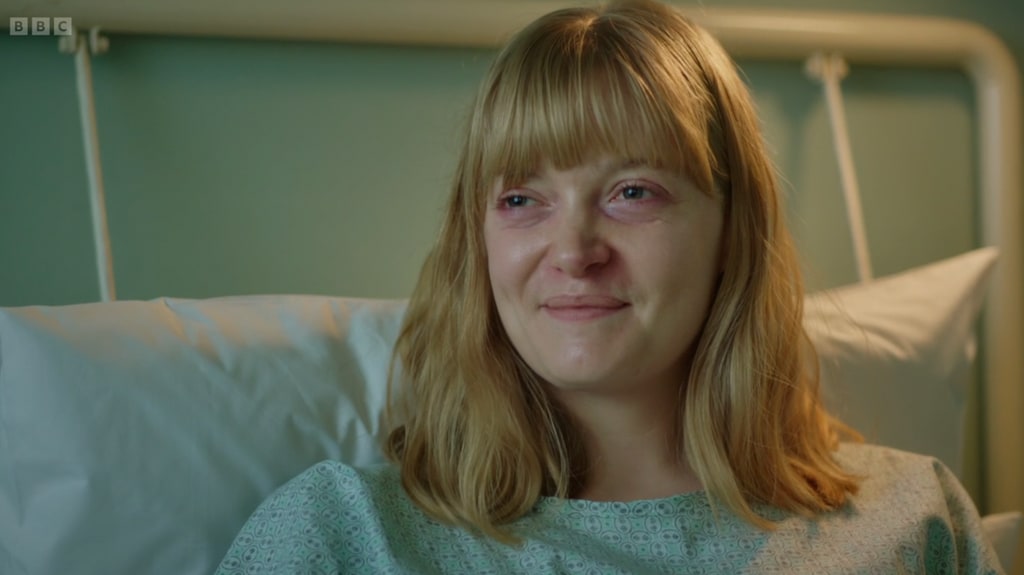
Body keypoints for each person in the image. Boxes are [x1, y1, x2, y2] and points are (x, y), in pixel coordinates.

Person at [217, 1, 1003, 572]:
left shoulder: (911, 521)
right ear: (477, 245)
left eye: (633, 192)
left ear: (733, 231)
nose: (574, 251)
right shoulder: (342, 535)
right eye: (521, 199)